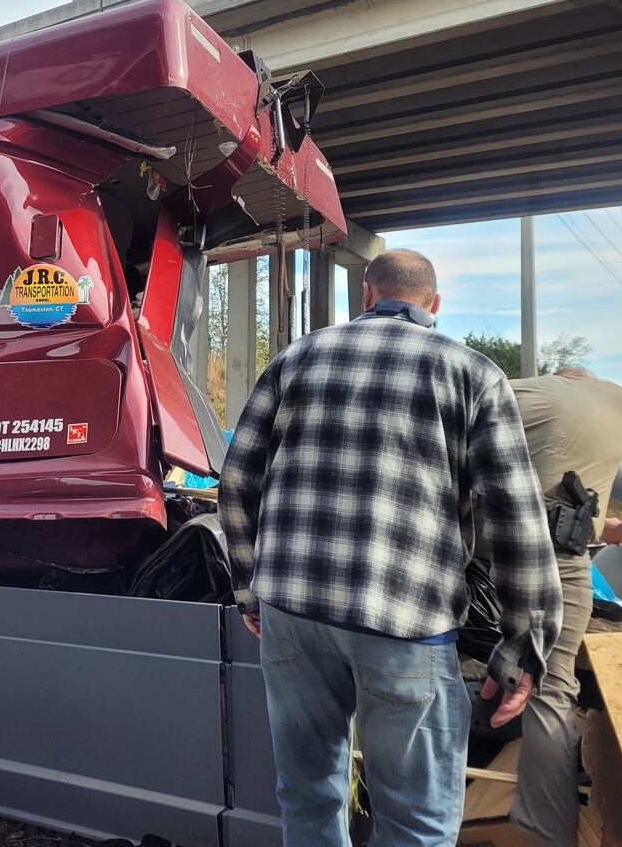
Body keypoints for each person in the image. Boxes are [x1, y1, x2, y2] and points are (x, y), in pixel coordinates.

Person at [220, 249, 563, 847]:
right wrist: (523, 644)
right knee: (415, 817)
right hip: (405, 621)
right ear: (434, 306)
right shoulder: (472, 373)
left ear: (368, 297)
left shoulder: (297, 357)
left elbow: (238, 480)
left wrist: (250, 588)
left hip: (292, 615)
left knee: (308, 794)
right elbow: (517, 518)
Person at [508, 367, 622, 845]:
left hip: (469, 556)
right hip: (555, 565)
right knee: (549, 690)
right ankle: (545, 835)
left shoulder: (507, 390)